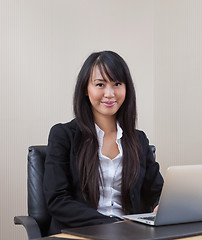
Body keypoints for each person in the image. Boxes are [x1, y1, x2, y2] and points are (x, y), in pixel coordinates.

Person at [43, 51, 164, 234]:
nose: (110, 94)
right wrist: (112, 224)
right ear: (86, 88)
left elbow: (157, 191)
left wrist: (160, 206)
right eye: (100, 84)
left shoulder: (138, 140)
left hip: (131, 235)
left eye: (117, 84)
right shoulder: (63, 135)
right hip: (81, 232)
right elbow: (57, 200)